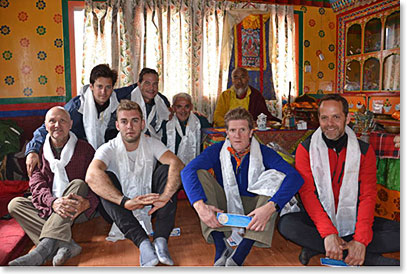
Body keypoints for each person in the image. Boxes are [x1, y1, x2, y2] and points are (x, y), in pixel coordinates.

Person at [277, 94, 400, 266]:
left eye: (336, 117)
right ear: (318, 119)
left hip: (352, 218)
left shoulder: (364, 151)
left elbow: (368, 196)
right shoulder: (305, 149)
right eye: (324, 118)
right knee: (286, 225)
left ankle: (324, 248)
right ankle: (367, 258)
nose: (330, 124)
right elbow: (307, 194)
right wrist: (328, 233)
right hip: (318, 218)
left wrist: (361, 239)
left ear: (347, 118)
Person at [181, 107, 303, 266]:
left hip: (255, 209)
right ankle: (220, 246)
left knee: (276, 180)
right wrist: (199, 206)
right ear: (226, 132)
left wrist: (270, 207)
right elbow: (186, 171)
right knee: (198, 173)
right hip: (226, 204)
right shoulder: (217, 150)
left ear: (251, 132)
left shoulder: (265, 152)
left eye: (242, 130)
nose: (237, 136)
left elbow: (295, 177)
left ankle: (241, 252)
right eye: (232, 130)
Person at [85, 100, 184, 267]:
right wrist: (125, 202)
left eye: (135, 121)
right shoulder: (107, 148)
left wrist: (165, 196)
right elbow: (91, 176)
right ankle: (143, 243)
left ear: (142, 124)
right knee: (104, 179)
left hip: (149, 204)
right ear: (117, 125)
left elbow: (178, 164)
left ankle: (160, 240)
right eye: (124, 121)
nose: (129, 126)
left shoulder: (152, 143)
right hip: (119, 209)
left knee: (168, 171)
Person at [8, 106, 99, 266]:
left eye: (62, 121)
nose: (57, 125)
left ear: (70, 124)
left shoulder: (85, 149)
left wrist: (89, 202)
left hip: (77, 211)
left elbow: (98, 181)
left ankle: (41, 251)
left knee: (78, 184)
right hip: (50, 207)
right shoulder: (39, 152)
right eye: (52, 121)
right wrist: (52, 202)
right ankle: (65, 245)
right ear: (45, 125)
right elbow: (36, 184)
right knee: (15, 205)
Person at [25, 64, 135, 177]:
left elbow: (133, 88)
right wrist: (32, 150)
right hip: (78, 157)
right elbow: (47, 128)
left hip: (106, 155)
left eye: (108, 87)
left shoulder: (114, 101)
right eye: (99, 86)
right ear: (91, 86)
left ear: (112, 88)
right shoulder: (76, 108)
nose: (104, 92)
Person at [213, 67, 280, 127]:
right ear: (232, 80)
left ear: (248, 78)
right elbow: (217, 118)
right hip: (228, 129)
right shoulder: (225, 95)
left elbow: (263, 116)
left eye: (242, 77)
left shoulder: (255, 95)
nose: (239, 81)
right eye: (235, 77)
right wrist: (236, 125)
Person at [161, 92, 211, 165]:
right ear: (173, 108)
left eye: (186, 107)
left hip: (196, 165)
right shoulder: (166, 123)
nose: (183, 110)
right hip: (171, 167)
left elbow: (210, 143)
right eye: (179, 107)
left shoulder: (200, 121)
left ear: (191, 107)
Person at [125, 68, 171, 140]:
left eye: (155, 84)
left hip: (155, 144)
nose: (151, 88)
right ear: (139, 84)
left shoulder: (163, 103)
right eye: (147, 83)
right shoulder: (126, 102)